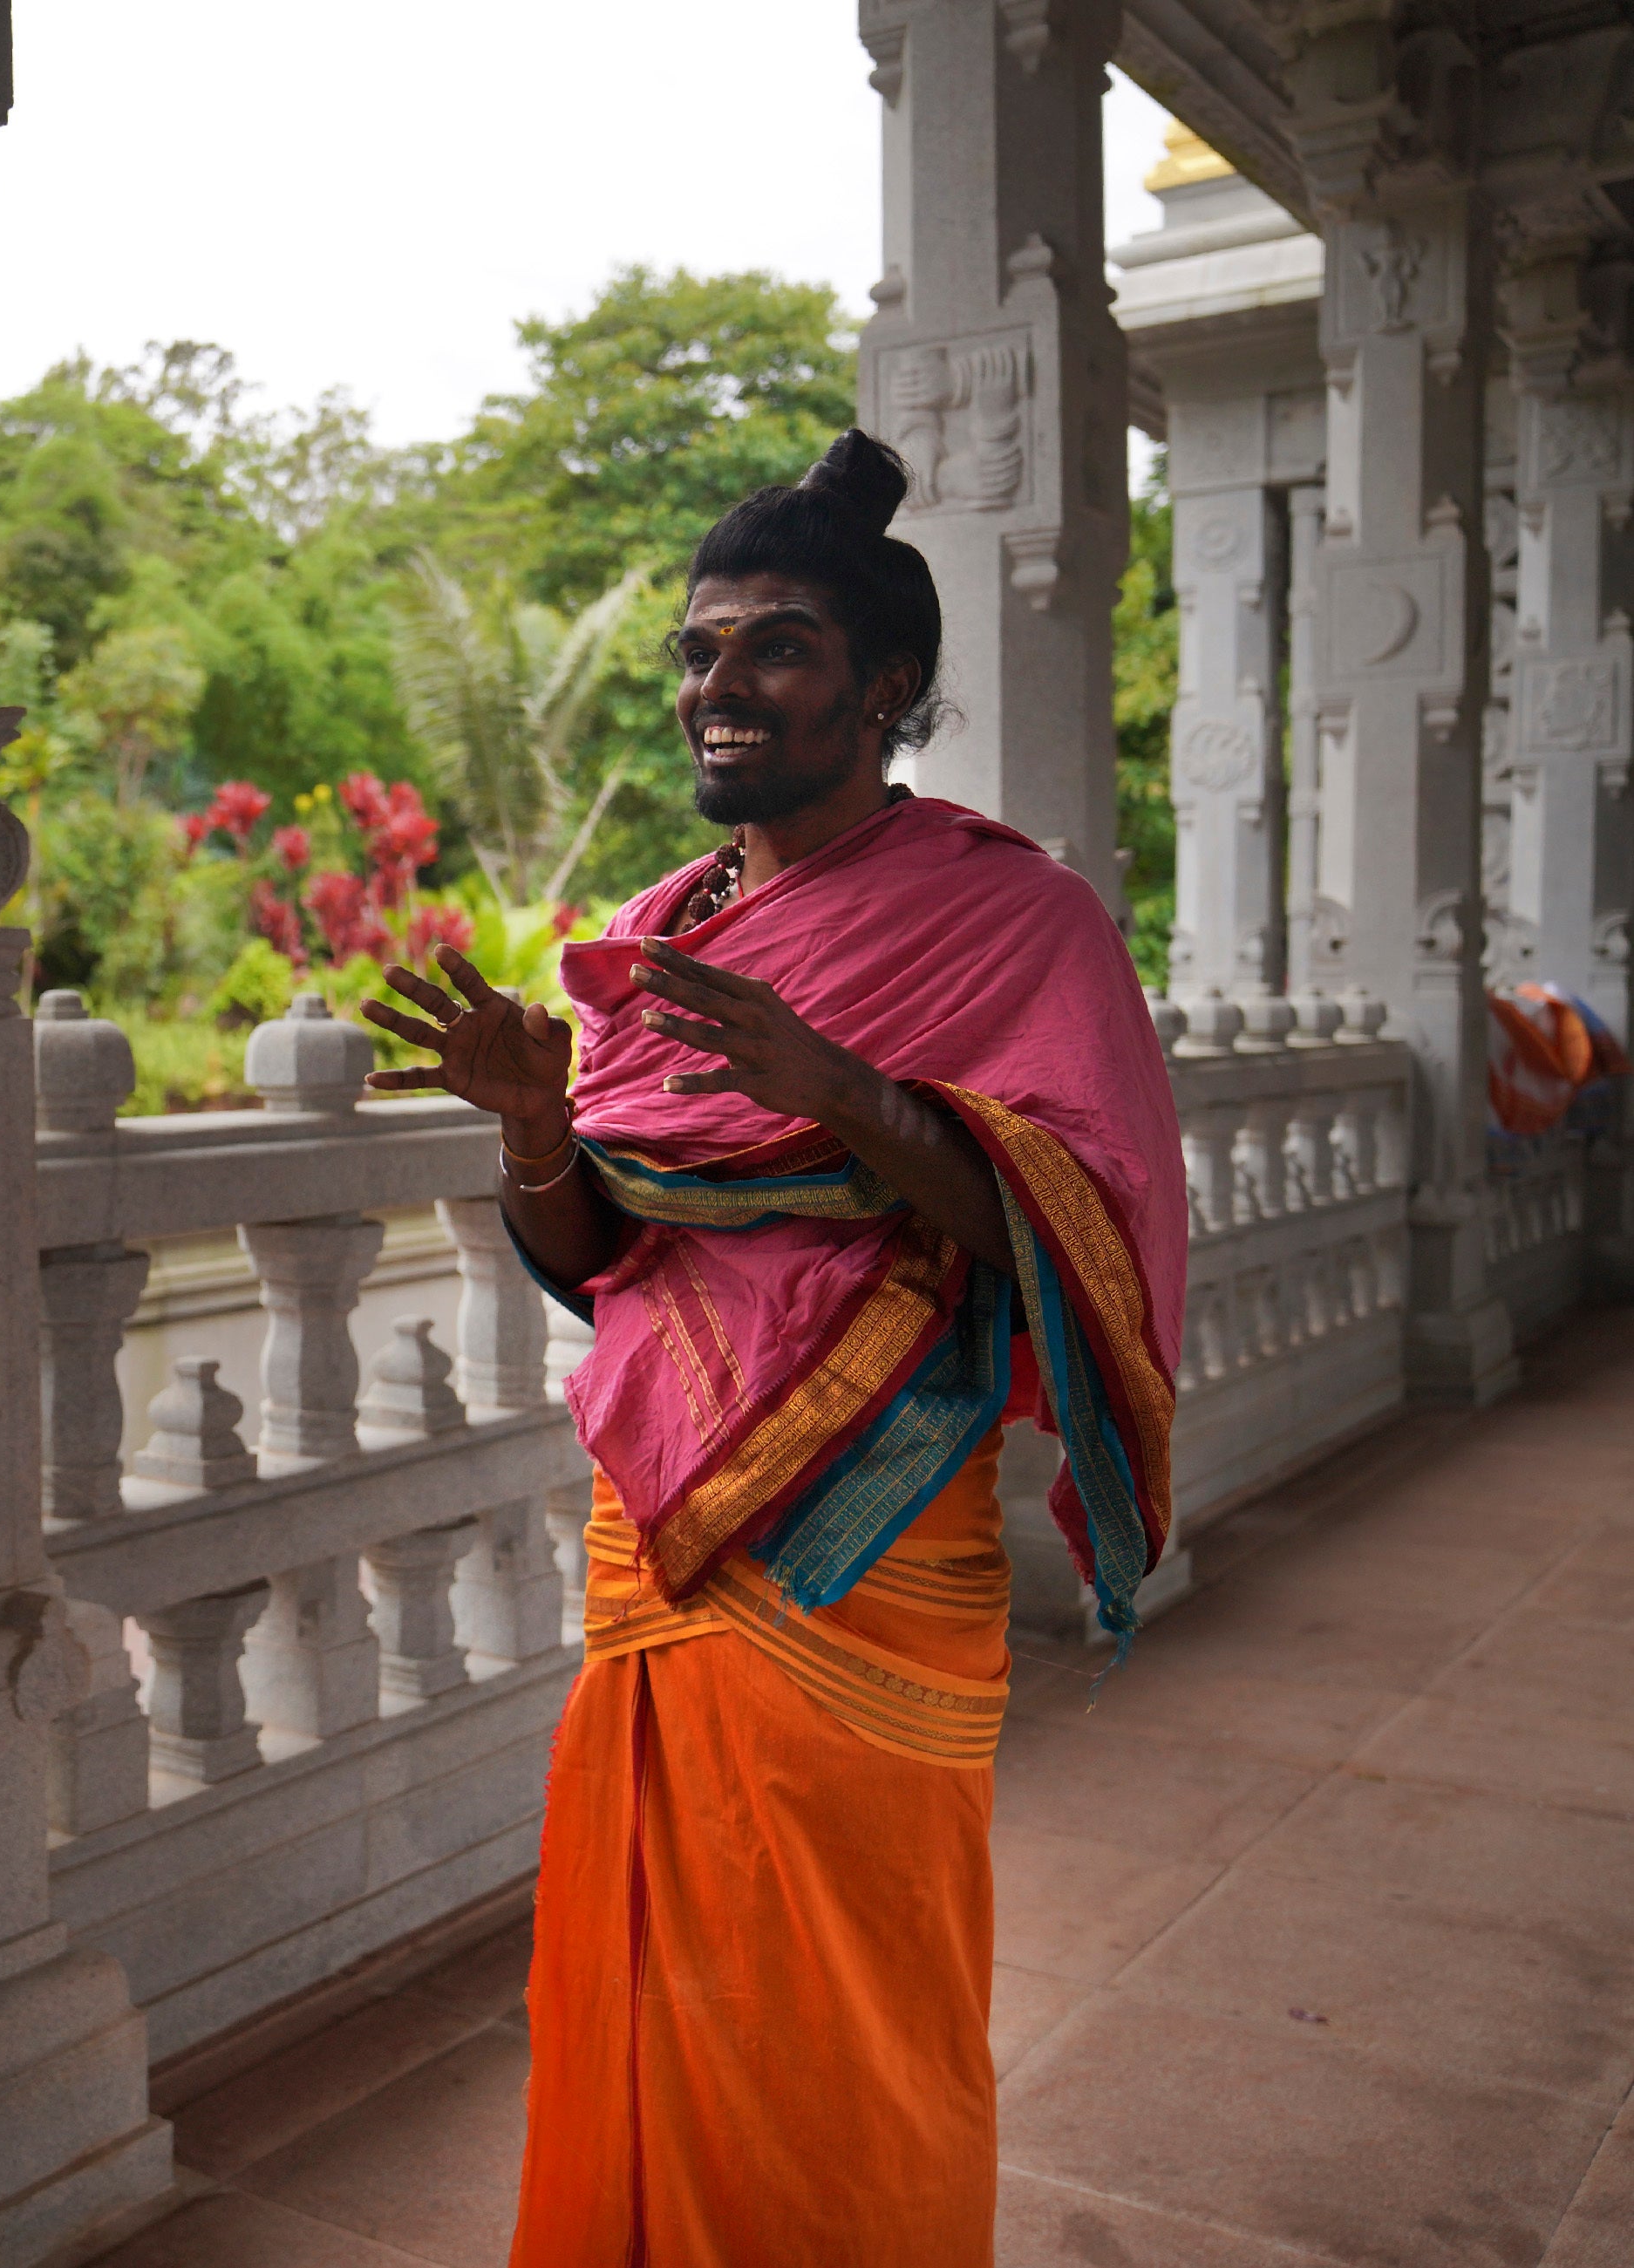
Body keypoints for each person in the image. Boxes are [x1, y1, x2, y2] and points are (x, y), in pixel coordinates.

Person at [364, 431, 1185, 2264]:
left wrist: (857, 1098)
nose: (718, 684)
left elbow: (1080, 1227)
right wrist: (535, 1128)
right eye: (699, 648)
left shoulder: (1018, 918)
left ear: (888, 687)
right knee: (653, 1978)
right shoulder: (659, 934)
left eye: (777, 646)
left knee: (852, 2009)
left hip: (863, 1536)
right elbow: (603, 1261)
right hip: (659, 1522)